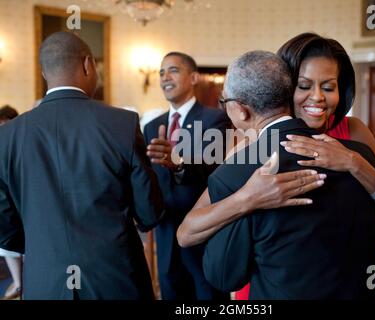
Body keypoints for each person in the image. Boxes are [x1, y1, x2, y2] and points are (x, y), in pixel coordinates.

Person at [177, 33, 375, 299]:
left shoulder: (356, 136)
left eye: (328, 86)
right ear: (284, 88)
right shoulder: (249, 147)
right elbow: (193, 229)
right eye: (304, 86)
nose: (317, 98)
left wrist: (355, 163)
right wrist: (248, 198)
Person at [0, 31, 164, 300]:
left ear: (44, 73)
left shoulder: (7, 136)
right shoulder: (122, 123)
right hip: (116, 276)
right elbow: (148, 213)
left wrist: (42, 243)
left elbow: (4, 224)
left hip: (45, 279)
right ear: (88, 64)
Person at [143, 52, 230, 300]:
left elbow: (212, 167)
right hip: (166, 231)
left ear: (193, 77)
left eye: (172, 70)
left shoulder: (216, 119)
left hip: (203, 233)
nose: (164, 77)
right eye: (161, 72)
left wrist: (179, 162)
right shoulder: (151, 126)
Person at [0, 105, 23, 300]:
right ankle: (17, 282)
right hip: (6, 199)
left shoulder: (22, 137)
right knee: (7, 244)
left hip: (22, 197)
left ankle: (23, 282)